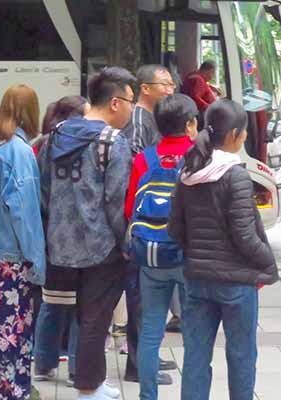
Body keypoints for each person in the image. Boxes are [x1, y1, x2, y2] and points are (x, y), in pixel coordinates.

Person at [169, 99, 278, 400]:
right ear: (233, 135)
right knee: (241, 357)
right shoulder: (235, 174)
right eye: (243, 133)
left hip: (197, 281)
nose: (244, 137)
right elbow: (245, 235)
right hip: (236, 284)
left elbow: (175, 228)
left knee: (195, 357)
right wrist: (268, 263)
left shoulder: (189, 169)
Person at [38, 66, 135, 400]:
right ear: (114, 103)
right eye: (131, 102)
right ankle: (88, 388)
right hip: (101, 247)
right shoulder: (114, 142)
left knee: (78, 315)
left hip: (61, 244)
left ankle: (93, 381)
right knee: (95, 318)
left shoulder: (55, 136)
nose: (132, 110)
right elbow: (116, 201)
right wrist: (125, 244)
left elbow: (45, 192)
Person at [125, 93, 198, 400]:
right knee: (195, 335)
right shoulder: (198, 156)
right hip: (187, 256)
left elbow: (130, 207)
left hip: (150, 257)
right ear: (191, 124)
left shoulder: (145, 158)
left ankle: (147, 395)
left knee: (151, 332)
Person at [0, 84, 46, 400]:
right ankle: (13, 389)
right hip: (13, 256)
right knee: (17, 328)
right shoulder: (20, 152)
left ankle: (2, 386)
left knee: (0, 326)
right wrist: (37, 261)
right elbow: (25, 214)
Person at [120, 64, 179, 384]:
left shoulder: (150, 119)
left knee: (147, 298)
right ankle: (138, 363)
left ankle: (146, 356)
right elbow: (137, 174)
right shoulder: (139, 122)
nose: (170, 89)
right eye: (164, 84)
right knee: (139, 297)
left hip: (153, 221)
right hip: (144, 223)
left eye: (171, 84)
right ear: (145, 88)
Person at [32, 95, 90, 387]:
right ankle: (78, 371)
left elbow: (41, 190)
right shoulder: (94, 142)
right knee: (83, 305)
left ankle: (43, 362)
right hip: (87, 236)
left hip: (53, 233)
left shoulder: (46, 144)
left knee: (51, 301)